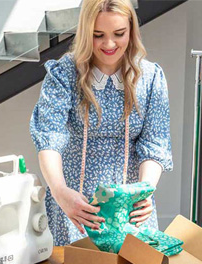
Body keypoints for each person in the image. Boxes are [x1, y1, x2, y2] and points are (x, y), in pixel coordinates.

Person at [30, 0, 173, 246]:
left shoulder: (150, 78)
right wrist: (60, 192)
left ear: (131, 30)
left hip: (131, 209)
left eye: (119, 34)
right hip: (75, 208)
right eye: (98, 35)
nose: (109, 44)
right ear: (86, 33)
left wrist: (145, 191)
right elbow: (49, 138)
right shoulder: (63, 75)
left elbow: (154, 142)